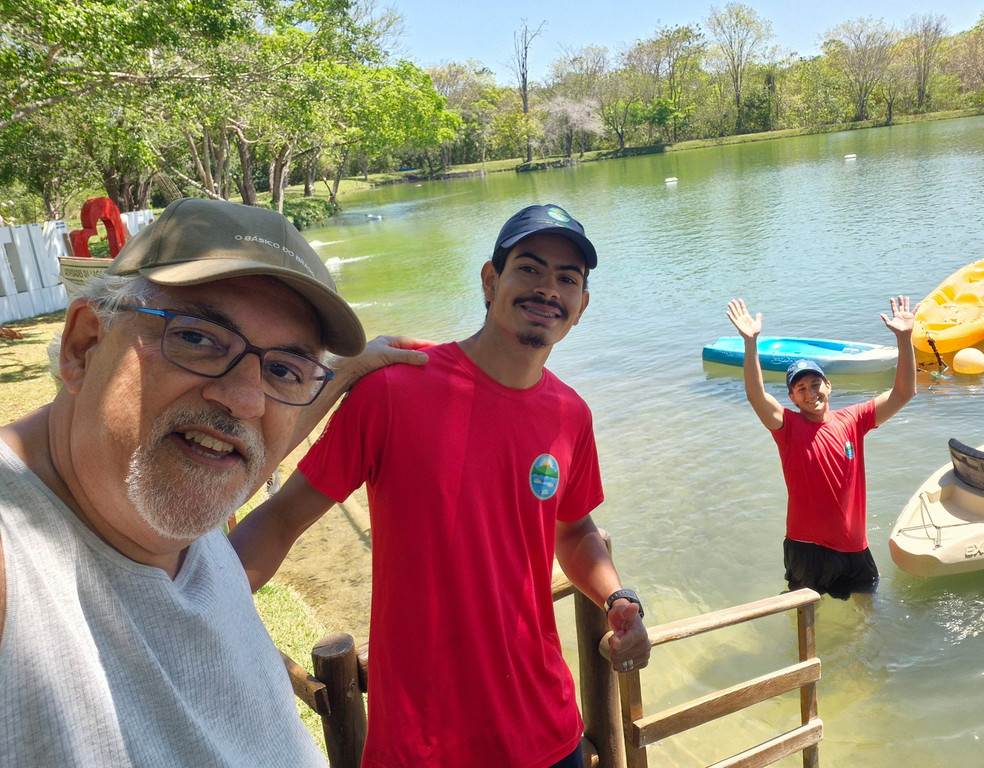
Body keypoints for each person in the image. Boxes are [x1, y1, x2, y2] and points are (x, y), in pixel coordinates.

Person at [0, 197, 427, 766]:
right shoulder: (17, 560)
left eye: (283, 369)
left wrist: (349, 368)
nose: (247, 399)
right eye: (198, 338)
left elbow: (256, 443)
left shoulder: (170, 498)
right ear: (85, 344)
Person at [230, 203, 653, 768]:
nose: (547, 289)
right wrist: (198, 597)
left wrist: (618, 598)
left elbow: (575, 532)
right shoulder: (396, 389)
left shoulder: (571, 415)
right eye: (529, 268)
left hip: (547, 734)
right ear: (489, 279)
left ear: (581, 306)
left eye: (567, 279)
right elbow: (281, 519)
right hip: (421, 744)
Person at [725, 296, 917, 599]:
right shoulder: (786, 427)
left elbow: (905, 392)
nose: (810, 392)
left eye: (815, 384)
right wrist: (751, 343)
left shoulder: (854, 419)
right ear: (792, 398)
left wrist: (905, 339)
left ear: (828, 386)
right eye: (801, 389)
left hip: (854, 545)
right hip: (806, 548)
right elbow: (756, 394)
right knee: (804, 617)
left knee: (868, 616)